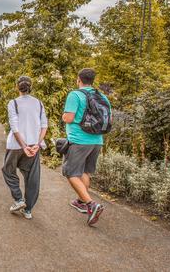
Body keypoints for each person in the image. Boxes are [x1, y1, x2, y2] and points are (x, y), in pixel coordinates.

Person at [62, 68, 111, 226]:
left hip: (79, 139)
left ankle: (91, 204)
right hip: (97, 140)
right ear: (93, 80)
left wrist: (64, 116)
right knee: (84, 171)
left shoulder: (75, 95)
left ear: (79, 79)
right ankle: (82, 203)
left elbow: (68, 118)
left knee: (70, 173)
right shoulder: (102, 96)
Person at [2, 76, 48, 219]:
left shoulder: (13, 103)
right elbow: (44, 125)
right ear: (30, 87)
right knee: (32, 177)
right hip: (33, 145)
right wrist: (36, 144)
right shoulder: (38, 103)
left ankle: (18, 199)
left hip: (16, 145)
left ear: (17, 87)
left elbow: (14, 127)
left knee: (8, 170)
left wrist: (23, 146)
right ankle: (27, 210)